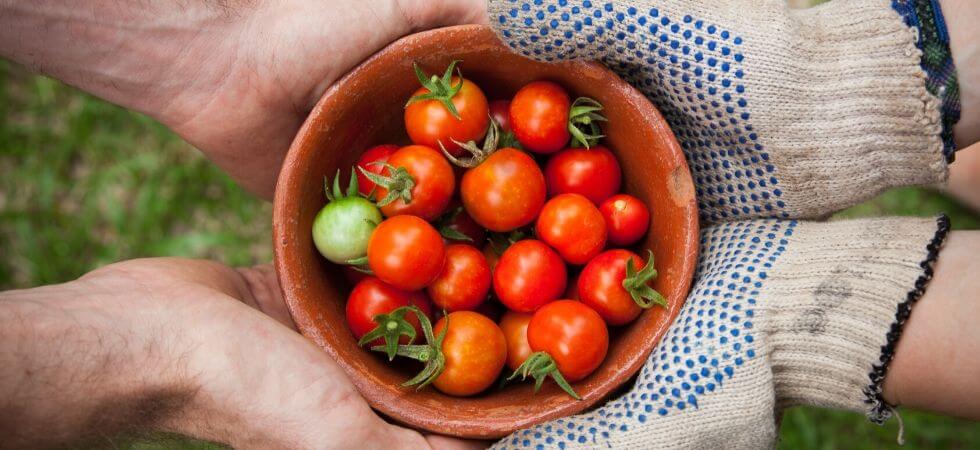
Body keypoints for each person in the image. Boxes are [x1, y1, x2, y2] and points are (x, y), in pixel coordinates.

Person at [0, 0, 977, 448]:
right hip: (545, 280)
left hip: (551, 264)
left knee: (878, 112)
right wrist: (152, 357)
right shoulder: (455, 249)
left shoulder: (457, 203)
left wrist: (213, 44)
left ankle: (928, 119)